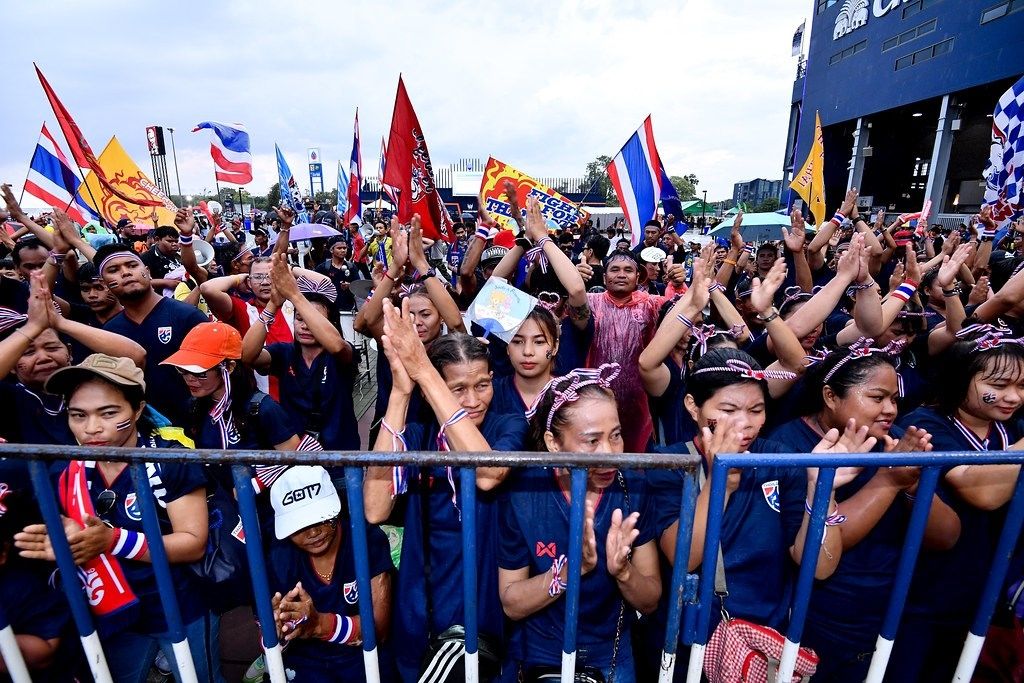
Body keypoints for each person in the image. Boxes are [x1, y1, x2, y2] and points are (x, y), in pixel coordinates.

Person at [644, 348, 875, 679]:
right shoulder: (670, 464)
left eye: (756, 410)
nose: (745, 423)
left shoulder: (780, 459)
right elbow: (683, 556)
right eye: (727, 409)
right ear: (693, 406)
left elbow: (821, 567)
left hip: (766, 638)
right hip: (687, 642)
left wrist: (821, 489)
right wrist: (720, 482)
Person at [14, 354, 219, 683]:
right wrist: (67, 541)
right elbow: (67, 532)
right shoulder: (64, 470)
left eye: (108, 413)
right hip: (111, 614)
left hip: (179, 605)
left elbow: (193, 543)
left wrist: (111, 540)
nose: (92, 428)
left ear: (137, 410)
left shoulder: (171, 458)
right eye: (78, 415)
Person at [769, 343, 959, 682]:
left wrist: (914, 486)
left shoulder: (896, 440)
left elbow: (946, 537)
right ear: (830, 396)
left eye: (894, 400)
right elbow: (824, 551)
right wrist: (888, 481)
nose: (890, 409)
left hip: (894, 610)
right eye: (877, 397)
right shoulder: (790, 446)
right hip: (820, 616)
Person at [364, 302, 527, 682]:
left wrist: (425, 371)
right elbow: (374, 508)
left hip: (487, 589)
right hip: (427, 597)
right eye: (458, 388)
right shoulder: (420, 437)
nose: (472, 401)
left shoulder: (508, 426)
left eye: (482, 385)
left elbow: (487, 475)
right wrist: (403, 392)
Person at [499, 364, 661, 682]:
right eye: (591, 440)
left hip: (612, 655)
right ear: (553, 443)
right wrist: (569, 571)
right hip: (540, 656)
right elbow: (511, 603)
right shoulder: (525, 494)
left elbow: (652, 599)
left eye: (616, 436)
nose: (609, 453)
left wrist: (624, 572)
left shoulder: (634, 487)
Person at [887, 324, 1024, 681]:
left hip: (987, 595)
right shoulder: (924, 425)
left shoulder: (1012, 430)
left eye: (1022, 386)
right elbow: (983, 493)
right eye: (998, 386)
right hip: (924, 594)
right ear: (960, 378)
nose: (1012, 397)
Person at [268, 466, 394, 682]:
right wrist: (279, 628)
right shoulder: (277, 554)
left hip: (362, 660)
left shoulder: (365, 540)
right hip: (305, 662)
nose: (314, 532)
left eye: (320, 518)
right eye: (300, 525)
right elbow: (265, 641)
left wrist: (320, 625)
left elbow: (378, 629)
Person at [0, 272, 146, 445]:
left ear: (69, 352)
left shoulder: (87, 384)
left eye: (52, 347)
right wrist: (33, 326)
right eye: (28, 352)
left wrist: (60, 323)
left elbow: (136, 355)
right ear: (11, 363)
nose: (43, 357)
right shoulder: (10, 398)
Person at [241, 254, 360, 451]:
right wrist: (272, 305)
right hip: (297, 455)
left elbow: (337, 346)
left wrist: (295, 295)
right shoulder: (285, 352)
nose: (305, 326)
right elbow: (247, 356)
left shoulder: (342, 353)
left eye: (312, 320)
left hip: (341, 456)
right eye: (299, 319)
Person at [93, 242, 209, 426]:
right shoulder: (110, 333)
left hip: (199, 428)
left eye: (132, 265)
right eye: (114, 269)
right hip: (144, 431)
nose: (125, 273)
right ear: (104, 283)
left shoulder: (187, 316)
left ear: (146, 270)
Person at [315, 236, 360, 312]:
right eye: (339, 248)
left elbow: (358, 286)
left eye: (344, 248)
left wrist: (350, 286)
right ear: (331, 250)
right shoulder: (323, 267)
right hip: (329, 309)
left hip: (348, 308)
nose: (343, 250)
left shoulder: (351, 267)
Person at [140, 225, 183, 293]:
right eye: (170, 241)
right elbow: (140, 282)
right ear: (157, 240)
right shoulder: (146, 258)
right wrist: (165, 283)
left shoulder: (180, 256)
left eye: (176, 241)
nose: (174, 244)